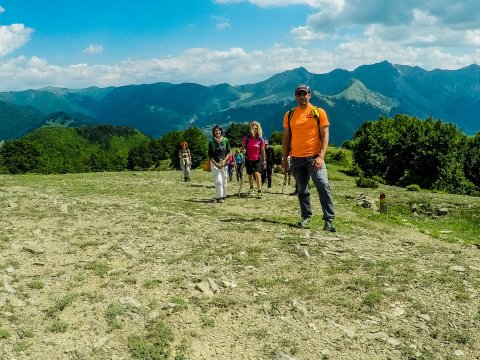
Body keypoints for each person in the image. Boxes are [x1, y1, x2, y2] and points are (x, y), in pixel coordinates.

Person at [282, 84, 336, 231]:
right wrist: (284, 158)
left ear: (309, 95)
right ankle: (306, 217)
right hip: (296, 158)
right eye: (299, 94)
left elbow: (325, 136)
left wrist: (321, 156)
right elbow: (286, 138)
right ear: (295, 96)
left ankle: (329, 220)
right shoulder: (290, 114)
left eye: (304, 94)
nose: (302, 97)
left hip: (314, 158)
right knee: (302, 190)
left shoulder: (318, 112)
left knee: (323, 186)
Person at [241, 121, 266, 199]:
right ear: (250, 129)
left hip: (257, 159)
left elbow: (262, 150)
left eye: (256, 128)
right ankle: (251, 187)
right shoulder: (246, 138)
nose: (254, 130)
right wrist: (244, 150)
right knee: (250, 174)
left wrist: (264, 160)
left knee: (257, 174)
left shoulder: (260, 139)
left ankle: (259, 190)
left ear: (258, 129)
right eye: (252, 128)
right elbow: (243, 147)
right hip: (248, 159)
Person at [208, 125, 231, 203]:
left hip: (224, 164)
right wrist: (216, 164)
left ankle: (224, 195)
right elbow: (210, 155)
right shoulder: (211, 142)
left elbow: (229, 152)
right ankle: (219, 197)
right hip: (215, 164)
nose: (217, 132)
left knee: (224, 181)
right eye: (215, 131)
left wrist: (224, 161)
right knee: (218, 181)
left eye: (219, 130)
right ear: (213, 133)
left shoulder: (225, 140)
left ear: (221, 131)